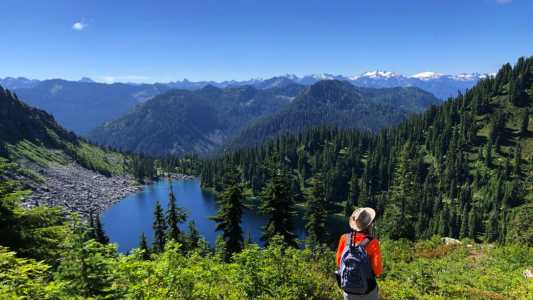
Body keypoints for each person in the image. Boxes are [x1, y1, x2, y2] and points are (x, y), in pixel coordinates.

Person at [336, 207, 382, 300]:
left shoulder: (344, 238)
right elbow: (378, 271)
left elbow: (339, 263)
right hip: (368, 291)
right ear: (369, 224)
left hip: (348, 289)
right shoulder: (373, 242)